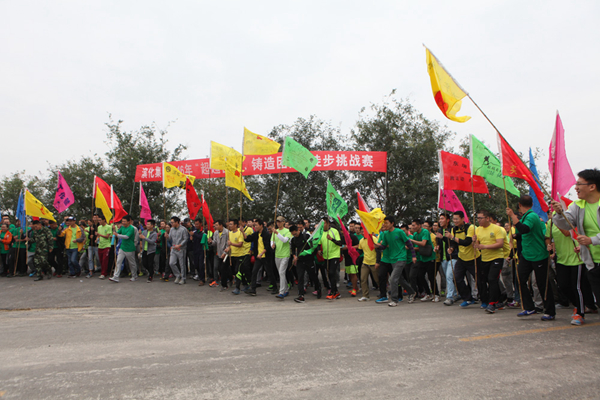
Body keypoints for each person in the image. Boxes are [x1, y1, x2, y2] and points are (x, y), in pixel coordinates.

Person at [552, 168, 600, 325]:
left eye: (579, 184)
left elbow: (591, 238)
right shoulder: (578, 205)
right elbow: (566, 223)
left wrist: (592, 240)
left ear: (592, 186)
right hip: (592, 262)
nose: (576, 187)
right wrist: (559, 213)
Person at [507, 196, 555, 321]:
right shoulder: (525, 216)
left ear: (519, 205)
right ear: (532, 203)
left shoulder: (532, 216)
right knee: (520, 279)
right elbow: (524, 233)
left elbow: (524, 229)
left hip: (538, 255)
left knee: (542, 283)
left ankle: (549, 311)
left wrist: (512, 215)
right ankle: (529, 307)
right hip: (526, 255)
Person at [375, 216, 417, 307]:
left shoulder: (399, 232)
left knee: (393, 278)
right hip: (392, 259)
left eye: (386, 223)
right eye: (384, 223)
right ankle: (412, 292)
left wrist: (413, 255)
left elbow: (409, 243)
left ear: (392, 223)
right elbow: (384, 246)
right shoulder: (385, 234)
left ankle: (394, 299)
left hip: (401, 258)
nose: (384, 225)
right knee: (400, 279)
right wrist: (377, 246)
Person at [473, 210, 506, 314]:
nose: (479, 220)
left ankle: (491, 303)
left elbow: (500, 244)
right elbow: (477, 246)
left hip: (497, 257)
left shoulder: (497, 229)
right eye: (477, 218)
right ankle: (500, 298)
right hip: (485, 258)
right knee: (488, 280)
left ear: (487, 218)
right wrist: (474, 241)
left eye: (481, 218)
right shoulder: (478, 230)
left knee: (492, 279)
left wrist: (485, 246)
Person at [290, 224, 321, 302]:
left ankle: (318, 289)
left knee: (313, 276)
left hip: (309, 260)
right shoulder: (293, 240)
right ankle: (301, 295)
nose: (295, 235)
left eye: (295, 233)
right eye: (293, 234)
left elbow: (314, 245)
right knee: (300, 277)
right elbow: (293, 250)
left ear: (298, 230)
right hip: (300, 261)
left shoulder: (306, 236)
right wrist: (294, 257)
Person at [409, 219, 436, 301]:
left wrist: (412, 241)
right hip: (422, 258)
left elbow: (423, 243)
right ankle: (428, 293)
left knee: (431, 277)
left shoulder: (425, 232)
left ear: (419, 225)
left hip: (430, 257)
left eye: (414, 225)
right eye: (412, 225)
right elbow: (416, 248)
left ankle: (436, 294)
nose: (412, 227)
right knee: (420, 276)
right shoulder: (415, 234)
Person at [243, 218, 270, 296]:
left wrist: (261, 253)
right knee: (254, 272)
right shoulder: (255, 234)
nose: (255, 227)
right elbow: (248, 239)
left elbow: (267, 246)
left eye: (256, 225)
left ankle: (274, 286)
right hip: (258, 257)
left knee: (270, 272)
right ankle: (253, 289)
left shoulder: (266, 234)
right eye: (254, 225)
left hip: (266, 256)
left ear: (261, 225)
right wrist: (242, 232)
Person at [436, 213, 458, 305]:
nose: (440, 221)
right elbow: (440, 243)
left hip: (452, 256)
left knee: (449, 276)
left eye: (442, 218)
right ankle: (456, 293)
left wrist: (444, 237)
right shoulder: (440, 230)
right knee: (449, 277)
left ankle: (449, 297)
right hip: (443, 257)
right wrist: (437, 247)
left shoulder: (452, 229)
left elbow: (454, 242)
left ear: (448, 220)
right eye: (439, 219)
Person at [109, 215, 138, 283]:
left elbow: (126, 236)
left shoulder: (132, 228)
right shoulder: (122, 227)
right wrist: (114, 230)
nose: (123, 223)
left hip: (130, 248)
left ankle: (134, 275)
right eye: (122, 221)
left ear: (129, 221)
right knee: (118, 261)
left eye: (124, 221)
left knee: (132, 263)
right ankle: (116, 276)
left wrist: (117, 235)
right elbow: (117, 232)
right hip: (122, 247)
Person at [320, 217, 343, 300]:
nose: (323, 225)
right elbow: (319, 243)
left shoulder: (334, 231)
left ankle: (333, 292)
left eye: (324, 223)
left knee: (332, 272)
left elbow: (340, 243)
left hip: (335, 255)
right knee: (329, 274)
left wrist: (331, 239)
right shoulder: (321, 232)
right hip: (326, 256)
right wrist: (319, 250)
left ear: (328, 223)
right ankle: (336, 291)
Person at [355, 226, 378, 301]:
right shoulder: (361, 240)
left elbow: (378, 251)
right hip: (365, 262)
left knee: (377, 279)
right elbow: (360, 250)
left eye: (364, 231)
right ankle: (365, 295)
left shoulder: (373, 239)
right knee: (363, 279)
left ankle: (384, 292)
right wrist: (355, 254)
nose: (363, 233)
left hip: (373, 262)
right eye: (362, 232)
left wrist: (378, 262)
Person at [271, 216, 292, 299]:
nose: (278, 223)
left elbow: (284, 240)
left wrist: (276, 233)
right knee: (281, 273)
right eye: (277, 222)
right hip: (277, 254)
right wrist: (272, 245)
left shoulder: (287, 231)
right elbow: (272, 241)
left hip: (285, 255)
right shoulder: (274, 232)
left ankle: (281, 291)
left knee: (281, 272)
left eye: (280, 221)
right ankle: (286, 289)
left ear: (283, 222)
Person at [166, 216, 188, 285]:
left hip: (181, 249)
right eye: (171, 222)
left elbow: (186, 239)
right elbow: (170, 238)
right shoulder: (172, 229)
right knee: (171, 263)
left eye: (172, 222)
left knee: (182, 264)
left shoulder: (183, 229)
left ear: (177, 222)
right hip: (174, 248)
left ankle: (183, 278)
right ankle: (178, 275)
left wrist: (180, 245)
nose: (171, 224)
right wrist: (167, 236)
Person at [211, 220, 230, 291]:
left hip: (226, 254)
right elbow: (215, 242)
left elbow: (228, 244)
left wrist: (225, 253)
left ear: (221, 225)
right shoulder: (215, 233)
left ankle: (224, 285)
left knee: (223, 268)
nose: (215, 227)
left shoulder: (227, 232)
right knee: (219, 268)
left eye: (216, 225)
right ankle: (230, 278)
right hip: (219, 253)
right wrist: (211, 242)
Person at [190, 219, 207, 285]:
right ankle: (200, 276)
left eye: (197, 224)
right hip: (195, 250)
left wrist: (194, 235)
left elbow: (201, 237)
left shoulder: (203, 231)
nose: (196, 225)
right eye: (195, 224)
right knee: (196, 265)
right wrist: (191, 238)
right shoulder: (194, 231)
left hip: (202, 250)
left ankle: (202, 279)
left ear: (200, 224)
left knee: (201, 265)